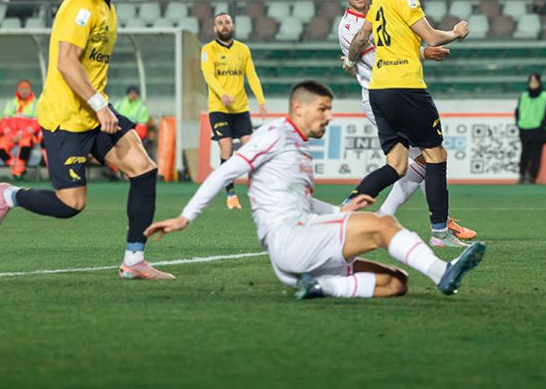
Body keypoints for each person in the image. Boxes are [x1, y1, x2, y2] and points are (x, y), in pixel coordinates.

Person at [144, 82, 487, 300]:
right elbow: (226, 171)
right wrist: (185, 217)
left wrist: (338, 213)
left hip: (297, 254)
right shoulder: (274, 134)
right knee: (382, 225)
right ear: (299, 109)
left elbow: (301, 201)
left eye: (329, 110)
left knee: (396, 283)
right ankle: (443, 271)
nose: (328, 117)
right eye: (322, 109)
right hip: (291, 239)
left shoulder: (297, 147)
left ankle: (321, 287)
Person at [0, 0, 173, 280]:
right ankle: (9, 195)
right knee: (72, 205)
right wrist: (100, 106)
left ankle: (134, 259)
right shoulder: (82, 4)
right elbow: (67, 63)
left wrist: (100, 107)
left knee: (143, 169)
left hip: (94, 113)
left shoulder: (107, 7)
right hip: (66, 118)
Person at [343, 0, 472, 247]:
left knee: (397, 165)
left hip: (379, 91)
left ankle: (346, 209)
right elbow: (430, 36)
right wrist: (457, 32)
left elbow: (363, 36)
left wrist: (349, 60)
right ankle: (440, 233)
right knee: (435, 154)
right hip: (406, 87)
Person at [200, 12, 268, 210]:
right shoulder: (208, 50)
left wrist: (261, 100)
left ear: (233, 26)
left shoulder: (243, 49)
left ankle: (257, 190)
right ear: (215, 28)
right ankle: (230, 194)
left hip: (240, 108)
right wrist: (222, 94)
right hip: (219, 108)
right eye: (220, 23)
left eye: (227, 22)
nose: (224, 26)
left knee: (250, 149)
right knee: (227, 148)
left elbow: (251, 75)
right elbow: (208, 75)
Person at [0, 80, 42, 180]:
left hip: (27, 135)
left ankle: (18, 171)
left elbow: (37, 122)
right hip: (11, 135)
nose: (24, 91)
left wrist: (22, 134)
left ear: (30, 90)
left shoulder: (36, 103)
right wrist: (10, 133)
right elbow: (4, 121)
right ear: (18, 90)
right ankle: (15, 165)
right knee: (1, 146)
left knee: (26, 143)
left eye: (26, 89)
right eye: (22, 89)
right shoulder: (11, 103)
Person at [515, 73, 546, 184]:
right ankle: (522, 175)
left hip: (538, 129)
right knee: (524, 154)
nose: (533, 84)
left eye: (535, 81)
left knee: (536, 155)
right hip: (525, 128)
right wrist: (519, 123)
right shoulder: (523, 96)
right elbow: (518, 111)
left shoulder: (544, 96)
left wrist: (544, 126)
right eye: (531, 81)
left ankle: (532, 176)